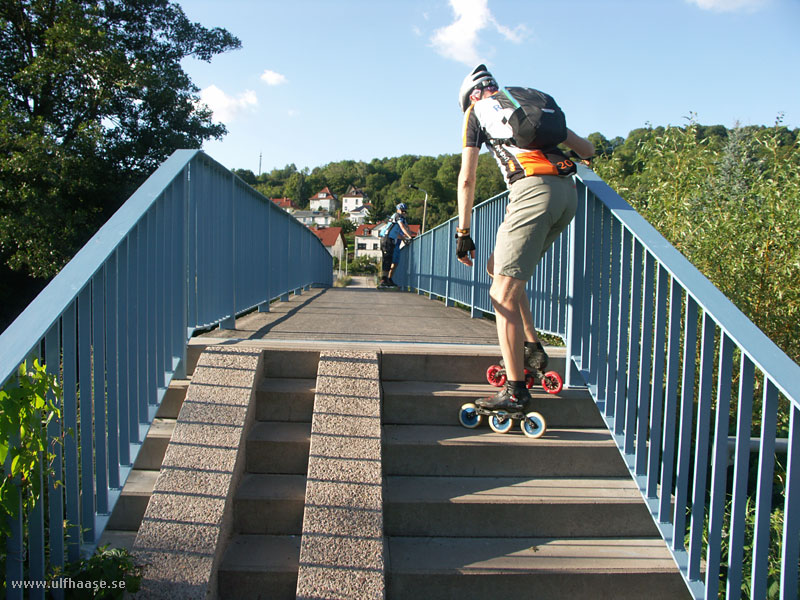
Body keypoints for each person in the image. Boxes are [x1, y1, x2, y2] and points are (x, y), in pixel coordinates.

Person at [455, 64, 594, 412]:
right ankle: (531, 346)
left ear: (472, 95)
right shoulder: (523, 108)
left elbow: (467, 178)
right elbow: (587, 149)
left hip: (531, 192)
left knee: (500, 293)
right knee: (496, 268)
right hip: (567, 195)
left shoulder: (476, 111)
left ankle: (515, 392)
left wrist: (464, 232)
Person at [378, 202, 414, 288]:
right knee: (387, 260)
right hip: (387, 239)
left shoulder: (400, 218)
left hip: (391, 239)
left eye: (405, 211)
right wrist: (409, 236)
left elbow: (398, 233)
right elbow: (402, 227)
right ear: (398, 210)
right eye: (402, 211)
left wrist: (405, 239)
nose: (404, 213)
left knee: (389, 260)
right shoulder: (397, 216)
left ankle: (387, 280)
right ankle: (384, 280)